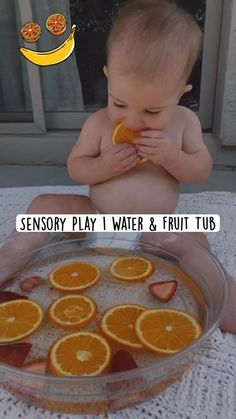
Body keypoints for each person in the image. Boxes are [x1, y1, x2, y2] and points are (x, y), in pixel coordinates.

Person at [0, 0, 235, 333]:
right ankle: (12, 254)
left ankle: (223, 294)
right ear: (109, 79)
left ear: (180, 94)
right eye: (120, 103)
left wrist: (172, 157)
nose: (133, 119)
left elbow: (200, 169)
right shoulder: (98, 124)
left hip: (155, 228)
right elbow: (76, 168)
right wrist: (103, 167)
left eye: (152, 111)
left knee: (191, 236)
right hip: (97, 216)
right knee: (44, 207)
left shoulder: (184, 123)